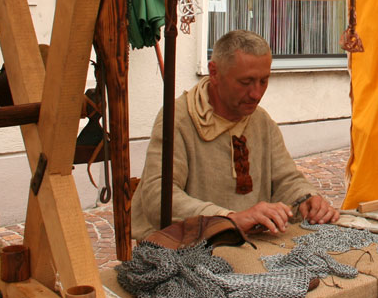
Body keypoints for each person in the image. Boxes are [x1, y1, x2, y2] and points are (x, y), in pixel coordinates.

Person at [130, 30, 339, 239]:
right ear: (214, 73)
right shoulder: (178, 119)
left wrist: (306, 199)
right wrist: (227, 218)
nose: (256, 94)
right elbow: (158, 198)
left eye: (263, 81)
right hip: (188, 247)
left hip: (252, 245)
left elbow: (286, 180)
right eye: (245, 82)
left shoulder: (262, 122)